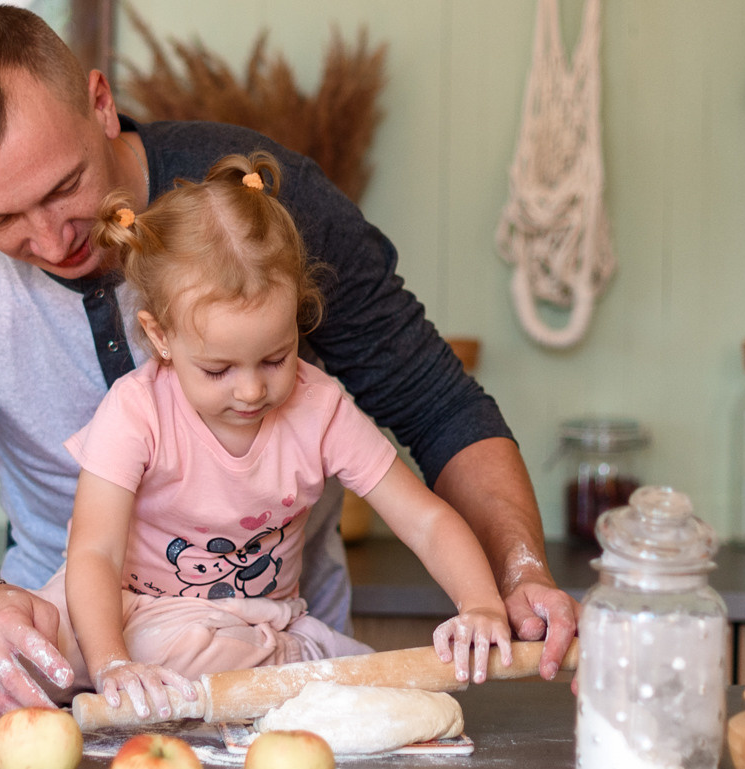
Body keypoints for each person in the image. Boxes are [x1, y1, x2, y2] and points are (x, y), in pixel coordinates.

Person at [0, 4, 574, 715]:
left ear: (101, 105)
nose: (51, 242)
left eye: (63, 188)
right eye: (0, 220)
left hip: (279, 650)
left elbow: (439, 407)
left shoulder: (262, 216)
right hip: (72, 662)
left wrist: (517, 576)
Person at [48, 153, 512, 721]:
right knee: (44, 636)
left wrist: (482, 603)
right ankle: (281, 678)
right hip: (132, 613)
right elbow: (93, 552)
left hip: (252, 625)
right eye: (218, 370)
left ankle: (292, 664)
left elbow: (425, 518)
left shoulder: (320, 409)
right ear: (160, 336)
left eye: (275, 358)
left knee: (220, 658)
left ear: (297, 315)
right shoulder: (136, 409)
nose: (250, 392)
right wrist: (111, 663)